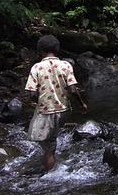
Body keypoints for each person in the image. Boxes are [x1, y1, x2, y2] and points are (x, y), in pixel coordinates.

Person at [25, 34, 88, 172]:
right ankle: (53, 158)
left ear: (40, 51)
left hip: (46, 111)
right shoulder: (66, 65)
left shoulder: (36, 67)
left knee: (47, 144)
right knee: (51, 137)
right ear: (57, 49)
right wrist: (82, 104)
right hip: (64, 110)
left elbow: (31, 94)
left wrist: (38, 102)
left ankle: (50, 173)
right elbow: (73, 89)